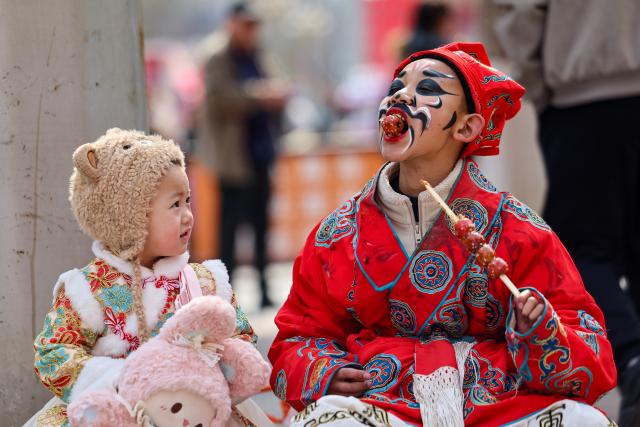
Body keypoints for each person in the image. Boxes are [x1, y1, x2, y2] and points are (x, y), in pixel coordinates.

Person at [268, 43, 617, 426]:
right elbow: (299, 335)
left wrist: (539, 329)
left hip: (495, 401)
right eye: (396, 87)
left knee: (583, 422)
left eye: (428, 89)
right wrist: (325, 371)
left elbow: (587, 341)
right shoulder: (338, 235)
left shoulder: (518, 229)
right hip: (383, 401)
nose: (400, 95)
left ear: (467, 126)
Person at [28, 128, 258, 426]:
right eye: (175, 204)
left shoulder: (205, 282)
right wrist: (119, 380)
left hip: (196, 409)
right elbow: (53, 353)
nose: (188, 214)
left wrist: (209, 369)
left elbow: (241, 336)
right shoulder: (89, 289)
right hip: (119, 411)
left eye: (188, 200)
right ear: (128, 216)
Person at [493, 1, 640, 424]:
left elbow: (524, 13)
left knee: (580, 248)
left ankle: (631, 358)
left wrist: (538, 87)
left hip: (582, 96)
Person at [199, 1, 288, 308]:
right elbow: (224, 98)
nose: (251, 31)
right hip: (232, 158)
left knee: (262, 225)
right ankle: (226, 291)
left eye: (254, 26)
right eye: (245, 25)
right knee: (230, 228)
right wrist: (262, 95)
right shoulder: (217, 58)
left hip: (259, 153)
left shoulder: (257, 55)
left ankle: (264, 291)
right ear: (231, 24)